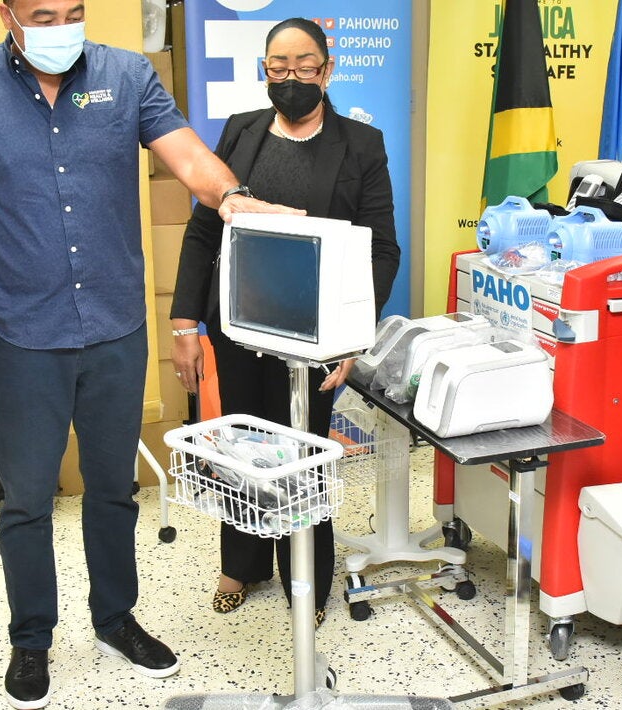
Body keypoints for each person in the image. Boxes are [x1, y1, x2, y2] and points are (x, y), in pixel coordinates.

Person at [0, 1, 297, 708]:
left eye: (74, 11)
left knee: (113, 488)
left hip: (116, 325)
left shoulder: (126, 75)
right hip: (24, 331)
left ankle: (115, 618)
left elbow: (184, 151)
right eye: (42, 13)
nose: (61, 24)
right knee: (28, 500)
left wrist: (234, 197)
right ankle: (31, 638)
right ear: (7, 14)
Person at [169, 17, 401, 626]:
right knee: (240, 448)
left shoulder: (360, 146)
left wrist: (355, 336)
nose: (291, 77)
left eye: (304, 66)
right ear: (263, 71)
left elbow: (383, 248)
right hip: (238, 325)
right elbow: (202, 229)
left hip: (316, 336)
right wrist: (184, 324)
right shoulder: (241, 133)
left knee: (303, 453)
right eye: (279, 67)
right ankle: (240, 565)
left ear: (327, 70)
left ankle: (308, 575)